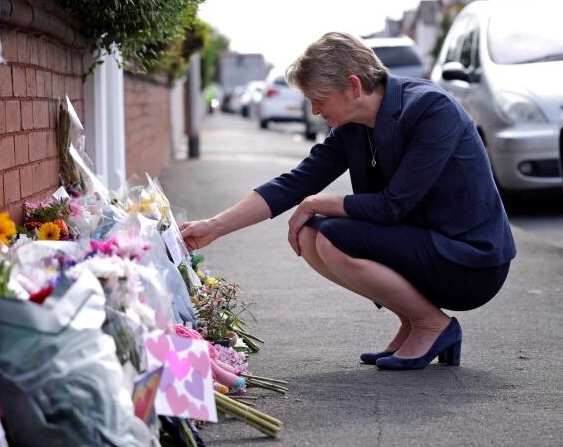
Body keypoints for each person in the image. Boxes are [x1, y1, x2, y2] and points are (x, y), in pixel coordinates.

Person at [180, 32, 516, 370]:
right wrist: (215, 226)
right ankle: (414, 322)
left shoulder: (430, 109)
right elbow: (293, 183)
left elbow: (392, 206)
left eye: (319, 97)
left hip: (469, 260)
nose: (314, 109)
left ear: (354, 86)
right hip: (425, 244)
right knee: (311, 235)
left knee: (330, 236)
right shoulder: (354, 126)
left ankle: (433, 325)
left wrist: (316, 203)